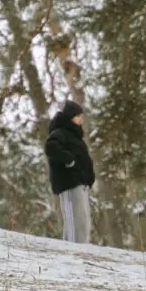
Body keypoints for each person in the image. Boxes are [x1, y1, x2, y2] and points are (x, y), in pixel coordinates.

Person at [45, 100, 95, 243]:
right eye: (78, 116)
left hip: (80, 183)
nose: (81, 119)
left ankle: (80, 247)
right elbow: (51, 147)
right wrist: (69, 160)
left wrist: (88, 177)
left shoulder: (75, 136)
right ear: (70, 117)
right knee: (74, 218)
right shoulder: (60, 132)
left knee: (83, 219)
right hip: (68, 182)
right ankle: (73, 250)